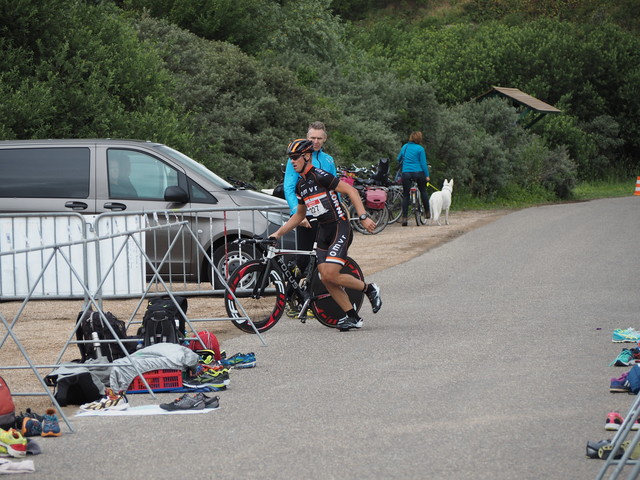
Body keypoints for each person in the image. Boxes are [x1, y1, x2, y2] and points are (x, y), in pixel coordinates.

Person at [270, 139, 382, 331]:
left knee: (330, 274)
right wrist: (277, 234)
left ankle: (369, 289)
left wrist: (363, 216)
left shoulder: (320, 175)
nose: (292, 162)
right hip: (323, 231)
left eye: (295, 158)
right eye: (290, 159)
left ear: (307, 156)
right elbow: (299, 215)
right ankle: (353, 317)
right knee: (325, 278)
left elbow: (351, 190)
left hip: (339, 226)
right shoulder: (301, 186)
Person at [283, 121, 337, 268]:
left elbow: (334, 189)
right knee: (302, 259)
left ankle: (319, 289)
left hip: (326, 214)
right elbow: (288, 187)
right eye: (312, 138)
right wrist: (296, 213)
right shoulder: (296, 158)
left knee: (325, 258)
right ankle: (292, 290)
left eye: (319, 138)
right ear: (307, 137)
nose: (315, 142)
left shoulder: (328, 160)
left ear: (325, 138)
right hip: (305, 214)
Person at [396, 131, 430, 226]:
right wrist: (427, 176)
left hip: (406, 173)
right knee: (423, 190)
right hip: (418, 173)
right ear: (419, 139)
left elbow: (398, 159)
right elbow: (423, 163)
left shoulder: (405, 147)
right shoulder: (420, 149)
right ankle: (427, 212)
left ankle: (404, 218)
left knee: (406, 195)